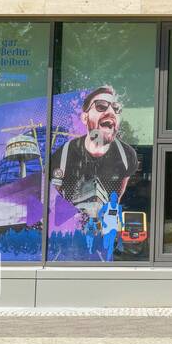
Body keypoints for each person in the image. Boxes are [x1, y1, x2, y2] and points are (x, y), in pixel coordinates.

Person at [50, 85, 138, 261]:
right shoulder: (64, 154)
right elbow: (56, 192)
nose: (111, 112)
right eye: (101, 106)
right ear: (84, 117)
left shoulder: (127, 155)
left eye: (116, 108)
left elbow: (119, 192)